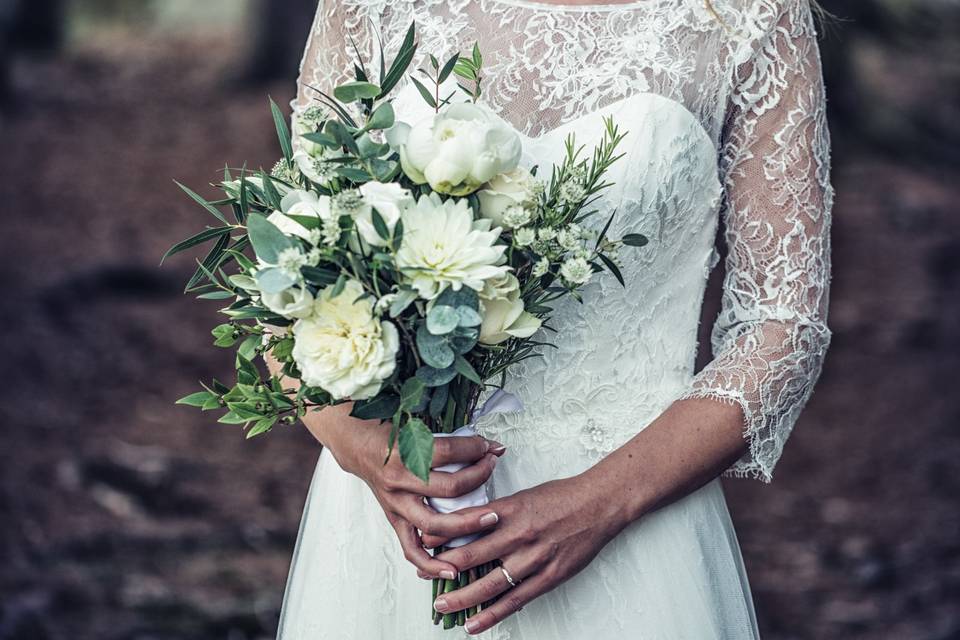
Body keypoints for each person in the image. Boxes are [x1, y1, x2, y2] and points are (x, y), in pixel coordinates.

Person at [275, 1, 833, 637]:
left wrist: (601, 502)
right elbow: (288, 273)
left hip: (630, 524)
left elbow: (782, 328)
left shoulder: (749, 17)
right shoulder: (370, 7)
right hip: (399, 522)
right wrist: (365, 450)